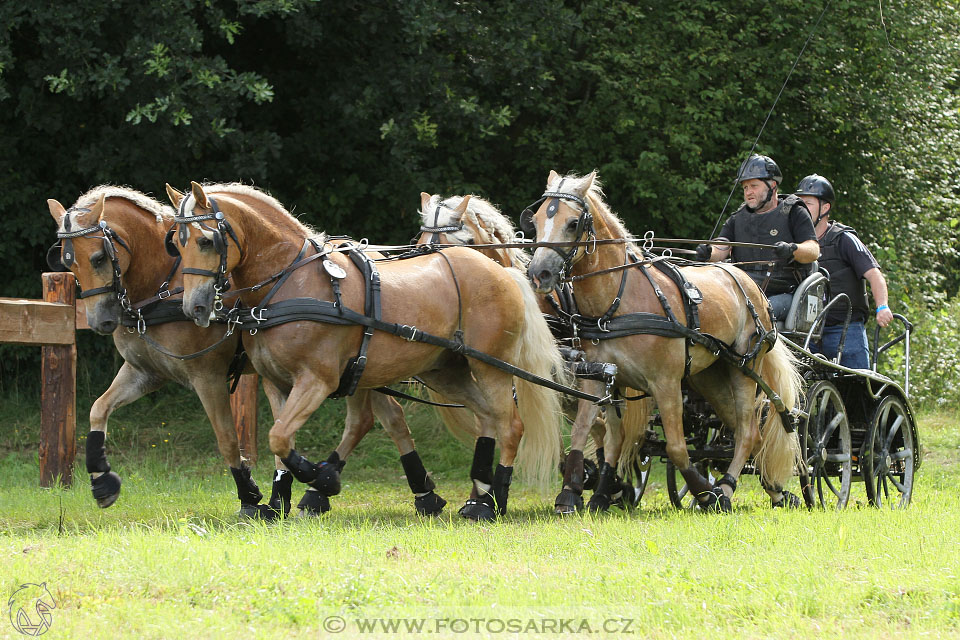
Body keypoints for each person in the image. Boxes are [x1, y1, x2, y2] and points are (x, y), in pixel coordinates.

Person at [696, 154, 820, 320]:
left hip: (784, 293)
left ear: (772, 186)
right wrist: (709, 253)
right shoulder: (737, 218)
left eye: (754, 186)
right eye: (745, 188)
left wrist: (793, 250)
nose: (749, 192)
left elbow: (813, 249)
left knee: (755, 315)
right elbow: (722, 246)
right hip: (742, 291)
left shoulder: (794, 211)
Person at [794, 174, 893, 368]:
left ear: (825, 207)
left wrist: (882, 306)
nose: (803, 209)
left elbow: (874, 274)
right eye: (800, 204)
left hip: (845, 329)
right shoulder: (797, 244)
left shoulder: (844, 238)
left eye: (808, 203)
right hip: (807, 331)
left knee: (857, 386)